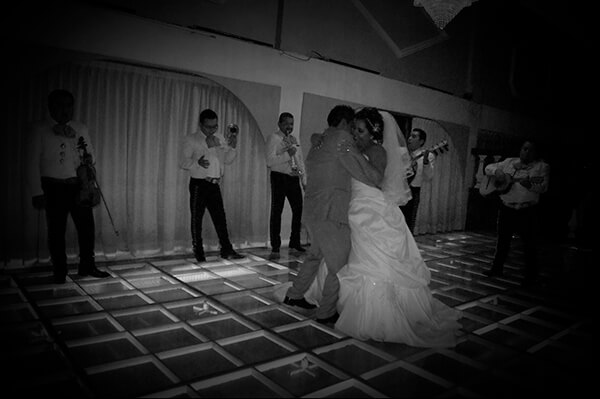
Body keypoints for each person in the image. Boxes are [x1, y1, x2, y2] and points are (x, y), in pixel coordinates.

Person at [297, 108, 461, 347]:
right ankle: (330, 304)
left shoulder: (377, 151)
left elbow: (376, 179)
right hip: (350, 207)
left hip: (370, 210)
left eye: (360, 130)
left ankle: (372, 314)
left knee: (366, 259)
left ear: (373, 132)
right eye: (354, 128)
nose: (355, 133)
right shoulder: (352, 148)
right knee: (338, 256)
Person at [282, 105, 384, 324]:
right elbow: (366, 174)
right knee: (339, 266)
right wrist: (376, 175)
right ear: (345, 123)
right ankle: (326, 311)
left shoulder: (318, 143)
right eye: (352, 126)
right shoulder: (342, 139)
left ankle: (294, 295)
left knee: (314, 255)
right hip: (331, 212)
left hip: (312, 210)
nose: (354, 132)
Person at [28, 89, 110, 284]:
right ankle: (59, 272)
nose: (65, 110)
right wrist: (36, 192)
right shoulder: (39, 129)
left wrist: (86, 155)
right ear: (51, 107)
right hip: (52, 187)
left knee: (87, 228)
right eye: (60, 105)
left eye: (69, 105)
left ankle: (87, 266)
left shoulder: (80, 127)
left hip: (78, 185)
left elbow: (92, 156)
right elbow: (31, 163)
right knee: (56, 231)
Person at [179, 108, 244, 262]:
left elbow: (227, 160)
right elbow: (182, 162)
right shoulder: (191, 139)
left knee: (220, 218)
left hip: (214, 183)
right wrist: (197, 162)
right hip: (199, 184)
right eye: (209, 127)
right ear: (201, 124)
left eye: (215, 126)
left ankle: (226, 250)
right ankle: (199, 252)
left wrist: (233, 147)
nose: (212, 130)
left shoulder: (219, 137)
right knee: (197, 219)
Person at [483, 139, 550, 286]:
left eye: (530, 150)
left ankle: (531, 275)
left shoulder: (541, 167)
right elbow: (488, 168)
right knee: (502, 241)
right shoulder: (508, 162)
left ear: (536, 153)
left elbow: (543, 187)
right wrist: (498, 171)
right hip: (507, 207)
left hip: (527, 210)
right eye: (524, 149)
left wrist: (530, 185)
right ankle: (496, 268)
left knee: (529, 244)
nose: (526, 152)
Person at [266, 112, 306, 254]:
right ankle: (275, 244)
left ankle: (294, 242)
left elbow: (300, 160)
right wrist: (286, 154)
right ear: (280, 124)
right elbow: (270, 161)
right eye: (286, 123)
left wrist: (303, 179)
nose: (289, 127)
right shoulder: (274, 138)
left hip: (293, 177)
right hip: (279, 177)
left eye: (291, 124)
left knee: (298, 209)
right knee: (277, 211)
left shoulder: (295, 139)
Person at [400, 128, 434, 233]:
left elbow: (428, 177)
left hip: (413, 191)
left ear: (421, 141)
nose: (409, 138)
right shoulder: (402, 153)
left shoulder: (428, 156)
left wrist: (425, 163)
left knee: (409, 221)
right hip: (398, 189)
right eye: (410, 136)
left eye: (414, 136)